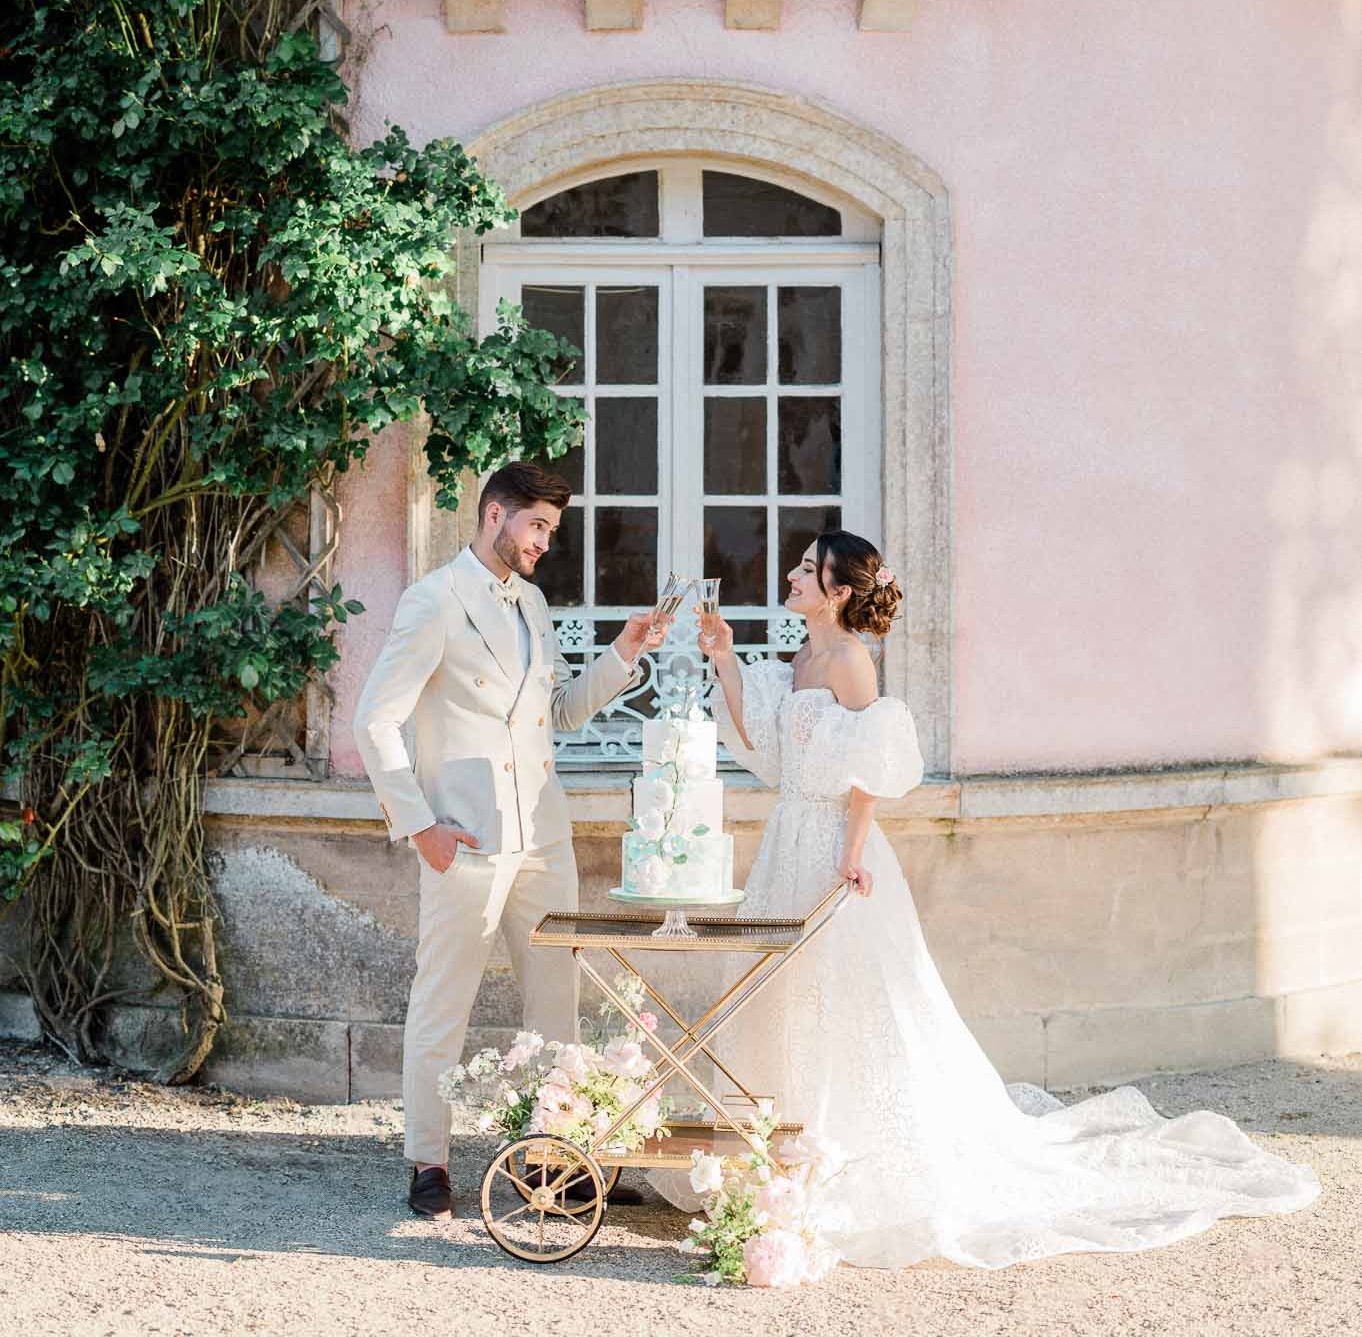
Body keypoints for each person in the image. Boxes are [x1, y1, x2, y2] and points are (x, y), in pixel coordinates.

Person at [677, 528, 1320, 1269]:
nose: (791, 574)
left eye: (806, 568)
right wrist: (722, 653)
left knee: (847, 995)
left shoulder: (853, 663)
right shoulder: (800, 658)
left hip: (831, 850)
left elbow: (868, 765)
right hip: (788, 840)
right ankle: (776, 1148)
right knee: (781, 991)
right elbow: (766, 739)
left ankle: (835, 1153)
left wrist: (851, 852)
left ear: (840, 591)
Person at [354, 459, 667, 1219]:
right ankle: (428, 1159)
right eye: (538, 528)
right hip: (465, 840)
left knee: (555, 999)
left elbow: (556, 713)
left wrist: (624, 653)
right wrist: (420, 826)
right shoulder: (433, 601)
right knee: (444, 1000)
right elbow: (375, 719)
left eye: (551, 532)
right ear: (495, 515)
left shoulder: (531, 602)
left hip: (543, 836)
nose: (544, 545)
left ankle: (547, 1156)